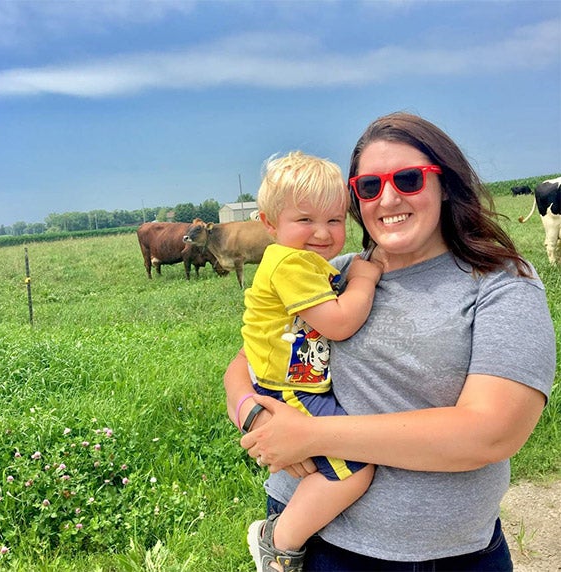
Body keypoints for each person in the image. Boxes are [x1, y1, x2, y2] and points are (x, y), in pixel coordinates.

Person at [225, 112, 556, 571]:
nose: (389, 197)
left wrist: (309, 436)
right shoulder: (332, 272)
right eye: (368, 186)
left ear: (446, 184)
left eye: (408, 178)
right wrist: (256, 416)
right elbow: (246, 362)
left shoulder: (501, 282)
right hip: (314, 545)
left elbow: (492, 431)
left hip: (445, 558)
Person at [238, 151, 381, 572]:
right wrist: (364, 278)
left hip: (292, 378)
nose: (323, 233)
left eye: (335, 220)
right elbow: (338, 322)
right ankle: (278, 542)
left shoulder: (304, 262)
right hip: (290, 387)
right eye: (305, 220)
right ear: (270, 223)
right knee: (354, 467)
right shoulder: (290, 263)